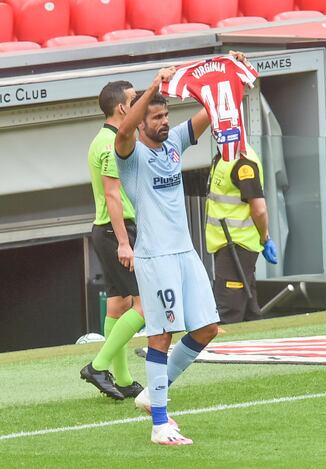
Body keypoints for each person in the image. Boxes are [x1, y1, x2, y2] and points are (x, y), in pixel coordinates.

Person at [114, 68, 219, 446]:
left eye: (165, 116)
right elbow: (123, 131)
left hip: (184, 252)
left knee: (207, 328)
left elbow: (210, 110)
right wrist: (155, 85)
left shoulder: (173, 141)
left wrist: (229, 78)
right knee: (161, 335)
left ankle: (151, 394)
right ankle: (160, 425)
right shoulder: (131, 153)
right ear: (141, 122)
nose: (163, 122)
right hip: (155, 256)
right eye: (156, 117)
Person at [80, 81, 145, 400]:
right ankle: (98, 365)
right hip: (115, 230)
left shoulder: (104, 139)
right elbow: (112, 194)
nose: (139, 103)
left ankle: (121, 379)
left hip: (107, 229)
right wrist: (124, 242)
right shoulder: (110, 144)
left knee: (119, 304)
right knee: (145, 306)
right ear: (122, 108)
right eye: (135, 99)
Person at [205, 144, 278, 324]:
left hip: (236, 246)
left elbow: (259, 210)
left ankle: (221, 351)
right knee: (249, 313)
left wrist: (265, 238)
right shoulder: (225, 155)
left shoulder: (243, 163)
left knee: (227, 313)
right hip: (229, 244)